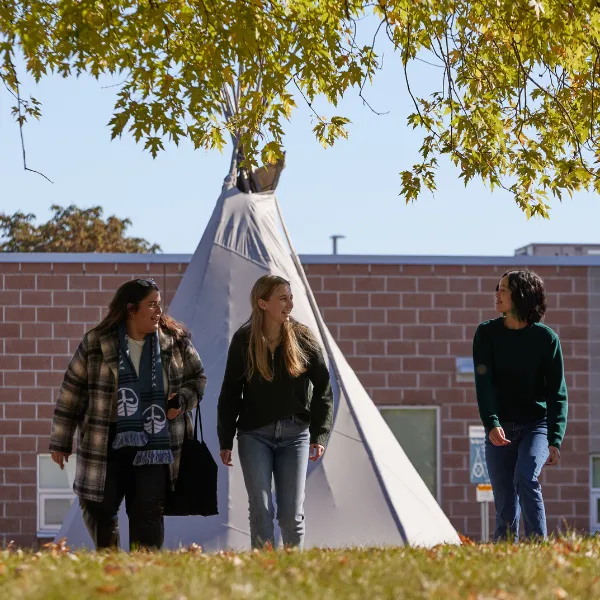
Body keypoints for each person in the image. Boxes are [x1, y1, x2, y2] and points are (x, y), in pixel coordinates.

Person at [49, 278, 206, 550]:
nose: (159, 311)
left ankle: (144, 572)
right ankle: (109, 561)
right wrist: (61, 441)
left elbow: (198, 379)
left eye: (159, 304)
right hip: (105, 438)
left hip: (156, 439)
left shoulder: (175, 341)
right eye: (152, 305)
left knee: (147, 509)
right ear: (131, 309)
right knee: (97, 505)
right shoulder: (96, 342)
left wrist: (182, 399)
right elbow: (72, 391)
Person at [217, 274, 333, 550]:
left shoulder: (303, 337)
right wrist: (225, 439)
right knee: (260, 509)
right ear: (263, 303)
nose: (290, 304)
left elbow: (324, 389)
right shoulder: (243, 340)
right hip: (253, 435)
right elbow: (230, 392)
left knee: (291, 515)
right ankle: (264, 574)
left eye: (291, 298)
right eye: (283, 298)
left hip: (295, 435)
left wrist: (320, 434)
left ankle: (293, 576)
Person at [473, 269, 568, 541]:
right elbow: (484, 384)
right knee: (504, 504)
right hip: (499, 427)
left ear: (522, 295)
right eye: (497, 288)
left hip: (535, 426)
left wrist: (554, 438)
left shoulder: (546, 339)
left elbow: (557, 393)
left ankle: (539, 547)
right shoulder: (486, 334)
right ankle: (505, 558)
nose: (497, 294)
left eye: (504, 289)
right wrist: (491, 423)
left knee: (525, 478)